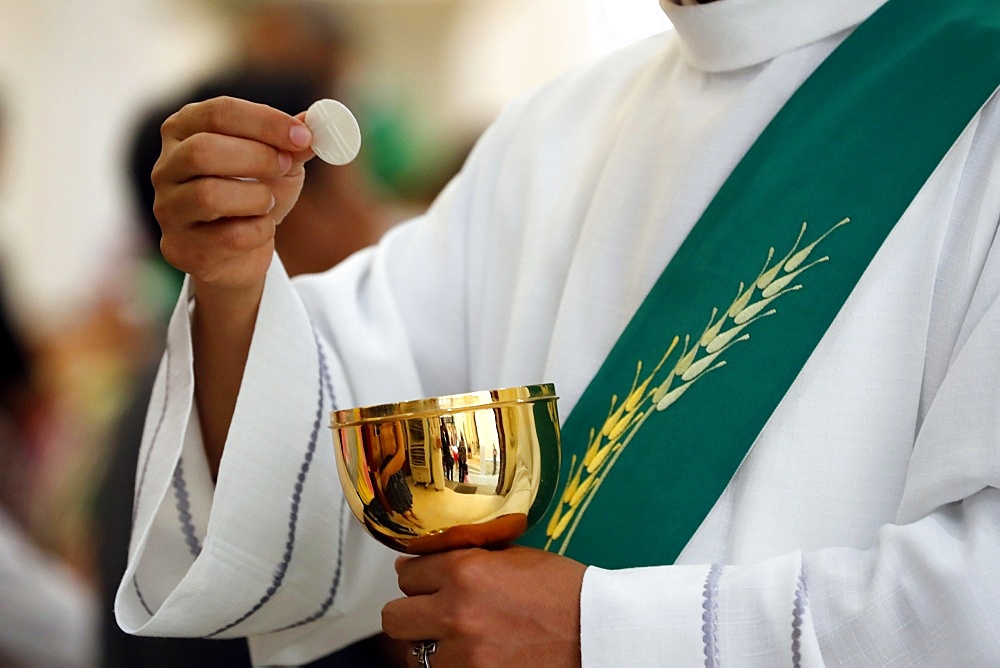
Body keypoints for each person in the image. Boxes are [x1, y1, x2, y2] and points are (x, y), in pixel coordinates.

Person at [116, 0, 1000, 665]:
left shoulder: (974, 92)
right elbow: (315, 473)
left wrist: (604, 635)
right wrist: (235, 285)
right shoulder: (558, 129)